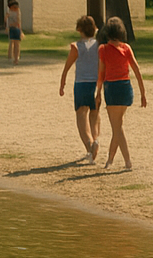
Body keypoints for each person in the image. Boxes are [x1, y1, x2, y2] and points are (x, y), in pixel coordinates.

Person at [98, 16, 147, 170]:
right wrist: (143, 93)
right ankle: (110, 160)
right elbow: (137, 70)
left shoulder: (103, 49)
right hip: (126, 87)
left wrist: (98, 92)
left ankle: (127, 161)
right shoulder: (126, 48)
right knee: (118, 126)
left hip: (112, 88)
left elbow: (101, 73)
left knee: (116, 128)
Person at [58, 15, 103, 163]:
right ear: (95, 29)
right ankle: (96, 139)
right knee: (95, 114)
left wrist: (63, 80)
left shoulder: (76, 46)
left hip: (81, 84)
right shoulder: (99, 46)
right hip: (95, 84)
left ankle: (89, 145)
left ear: (79, 29)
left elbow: (68, 65)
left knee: (81, 115)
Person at [7, 0, 25, 65]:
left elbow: (18, 21)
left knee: (16, 44)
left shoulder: (17, 12)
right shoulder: (9, 12)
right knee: (14, 43)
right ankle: (13, 57)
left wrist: (20, 30)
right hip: (12, 28)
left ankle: (16, 58)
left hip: (16, 28)